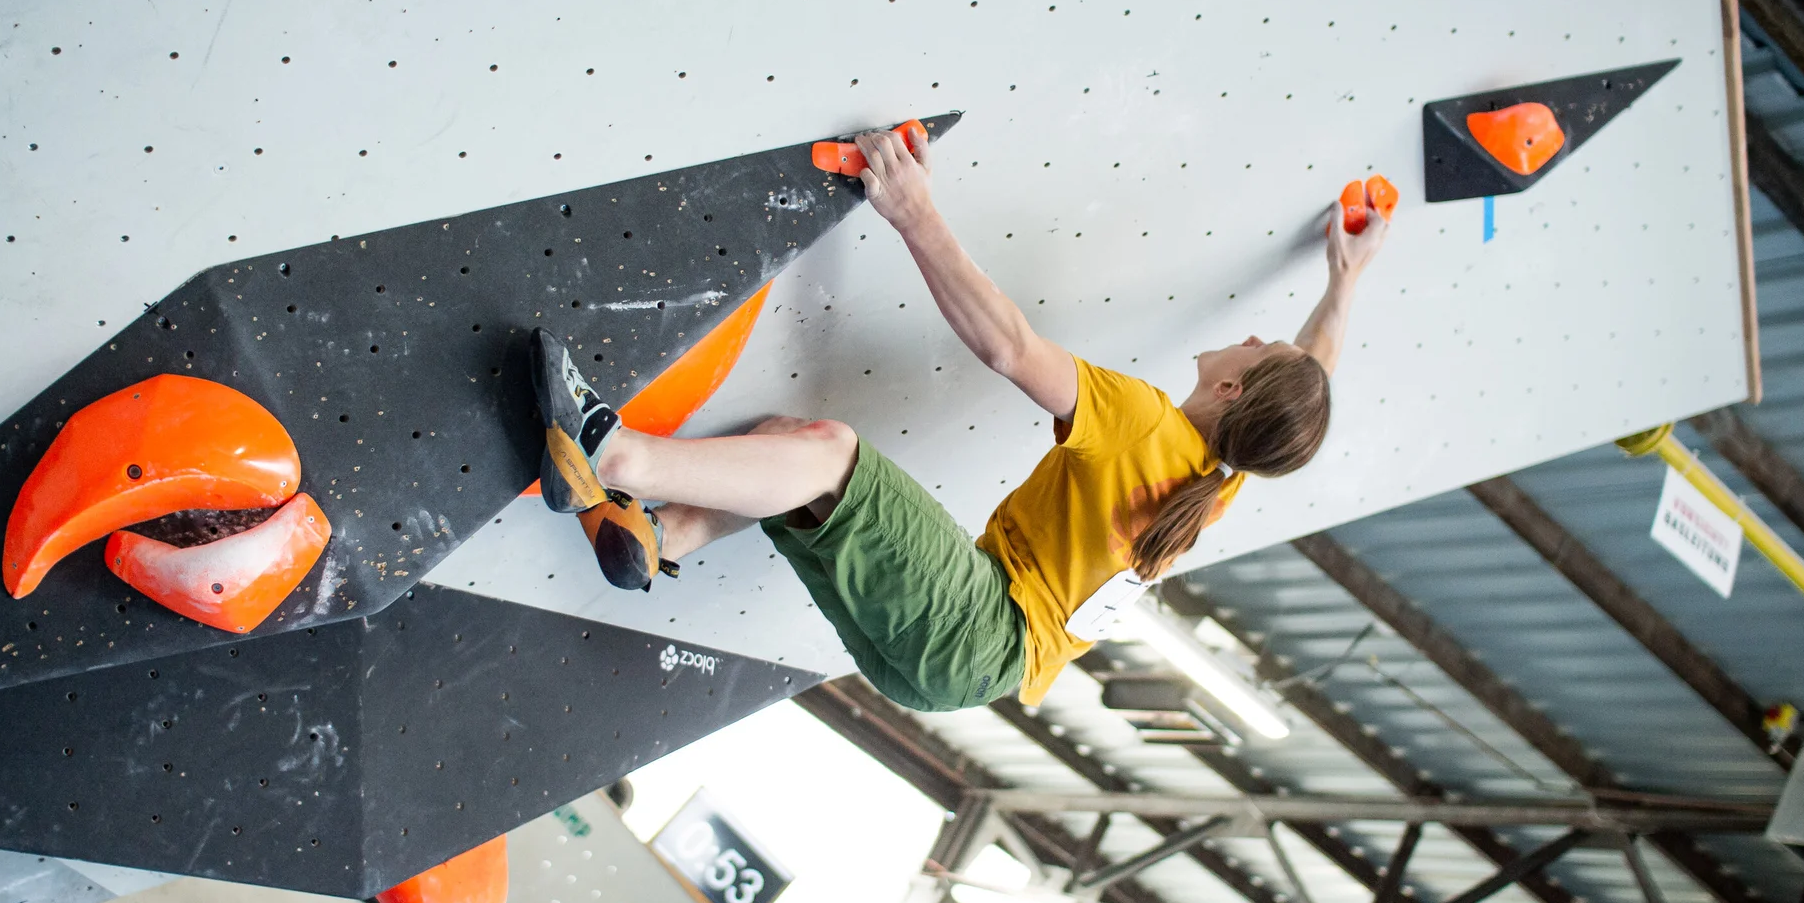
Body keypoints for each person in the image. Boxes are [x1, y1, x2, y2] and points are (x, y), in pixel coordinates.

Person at [529, 127, 1389, 712]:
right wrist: (1344, 282)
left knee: (831, 455)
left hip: (980, 627)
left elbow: (1011, 347)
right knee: (785, 452)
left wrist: (912, 209)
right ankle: (661, 539)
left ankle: (618, 456)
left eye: (1258, 347)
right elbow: (1310, 375)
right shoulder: (1218, 480)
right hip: (946, 679)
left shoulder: (1146, 425)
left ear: (1237, 392)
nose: (1250, 336)